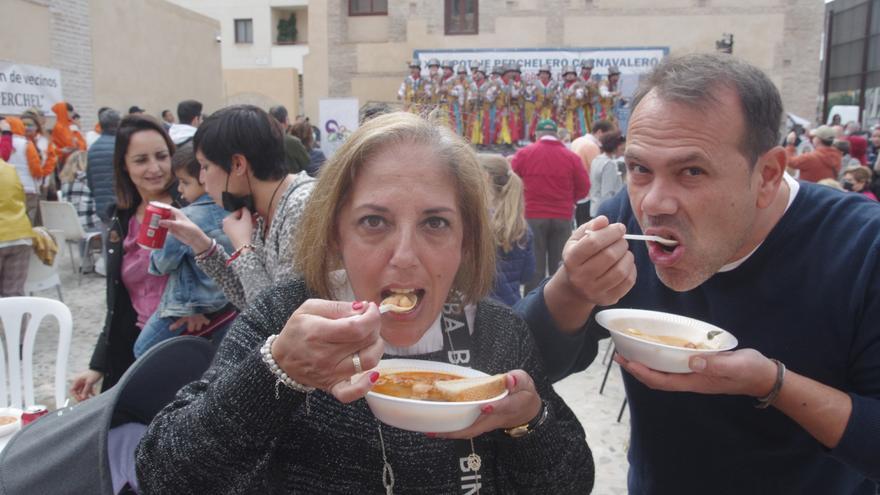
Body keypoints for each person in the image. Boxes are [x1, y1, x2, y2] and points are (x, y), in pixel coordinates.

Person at [135, 111, 594, 493]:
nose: (405, 257)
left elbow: (572, 481)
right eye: (374, 222)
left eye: (435, 224)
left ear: (466, 241)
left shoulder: (498, 334)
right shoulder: (285, 318)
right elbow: (164, 476)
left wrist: (530, 423)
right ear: (337, 233)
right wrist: (276, 373)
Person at [516, 53, 880, 494]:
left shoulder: (861, 248)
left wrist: (772, 384)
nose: (654, 204)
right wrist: (571, 288)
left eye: (691, 171)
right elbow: (522, 366)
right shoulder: (623, 224)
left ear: (767, 175)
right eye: (639, 169)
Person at [155, 104, 315, 310]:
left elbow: (278, 318)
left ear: (238, 164)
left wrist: (243, 248)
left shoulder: (301, 206)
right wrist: (201, 243)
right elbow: (248, 298)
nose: (202, 179)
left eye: (205, 166)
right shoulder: (266, 206)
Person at [71, 115, 181, 400]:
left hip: (186, 352)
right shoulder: (122, 219)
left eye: (161, 156)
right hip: (136, 352)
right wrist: (98, 365)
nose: (155, 168)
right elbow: (117, 304)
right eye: (141, 160)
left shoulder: (193, 211)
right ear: (124, 165)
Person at [133, 144, 235, 358]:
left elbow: (161, 264)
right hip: (227, 307)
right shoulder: (236, 211)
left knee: (143, 351)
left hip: (187, 307)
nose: (179, 189)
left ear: (204, 176)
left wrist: (153, 249)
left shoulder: (185, 218)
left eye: (184, 182)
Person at [511, 118, 588, 294]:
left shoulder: (525, 153)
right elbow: (585, 187)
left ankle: (531, 303)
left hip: (533, 214)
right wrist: (570, 200)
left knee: (535, 266)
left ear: (537, 134)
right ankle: (557, 301)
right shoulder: (571, 157)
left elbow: (511, 182)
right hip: (562, 215)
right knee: (559, 265)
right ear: (556, 135)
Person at [479, 153, 535, 306]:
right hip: (511, 305)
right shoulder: (522, 227)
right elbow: (527, 275)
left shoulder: (478, 223)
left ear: (486, 178)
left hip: (480, 307)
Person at [4, 117, 53, 224]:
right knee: (28, 220)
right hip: (28, 189)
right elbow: (35, 168)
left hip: (8, 189)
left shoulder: (3, 144)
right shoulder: (26, 144)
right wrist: (40, 178)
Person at [0, 156, 34, 298]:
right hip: (20, 234)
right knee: (15, 295)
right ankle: (17, 320)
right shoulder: (10, 169)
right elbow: (22, 199)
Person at [571, 119, 616, 225]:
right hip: (588, 196)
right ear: (600, 132)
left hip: (576, 193)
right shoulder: (591, 146)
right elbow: (596, 172)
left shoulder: (577, 141)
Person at [87, 108, 122, 226]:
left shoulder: (92, 149)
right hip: (123, 204)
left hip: (103, 206)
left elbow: (91, 181)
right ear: (118, 124)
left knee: (109, 241)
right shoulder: (121, 146)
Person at [588, 130, 627, 217]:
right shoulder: (609, 165)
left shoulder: (597, 160)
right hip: (605, 212)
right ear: (615, 147)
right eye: (622, 149)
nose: (623, 153)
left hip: (595, 206)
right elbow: (608, 193)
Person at [269, 104, 309, 174]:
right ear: (286, 120)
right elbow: (306, 162)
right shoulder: (293, 142)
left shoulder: (263, 139)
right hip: (291, 181)